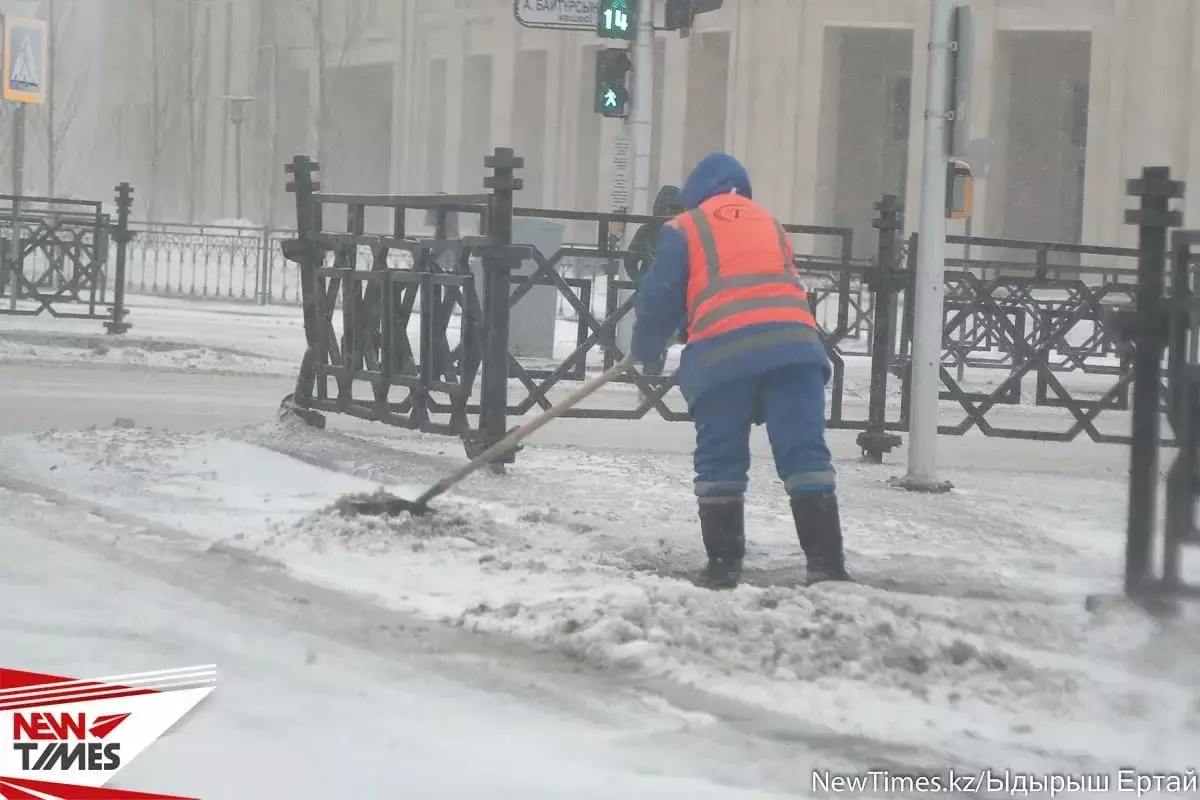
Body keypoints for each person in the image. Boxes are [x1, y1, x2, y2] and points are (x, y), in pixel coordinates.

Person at [629, 153, 851, 590]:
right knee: (804, 455)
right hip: (794, 350)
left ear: (695, 195)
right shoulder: (770, 224)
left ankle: (725, 566)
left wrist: (645, 347)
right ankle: (826, 565)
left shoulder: (684, 228)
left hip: (724, 355)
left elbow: (661, 299)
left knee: (721, 461)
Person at [624, 185, 685, 381]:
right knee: (651, 333)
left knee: (669, 335)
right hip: (650, 294)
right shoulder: (647, 231)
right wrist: (641, 282)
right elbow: (630, 260)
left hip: (675, 296)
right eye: (669, 210)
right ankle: (649, 380)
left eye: (676, 211)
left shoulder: (684, 232)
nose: (672, 215)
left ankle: (654, 380)